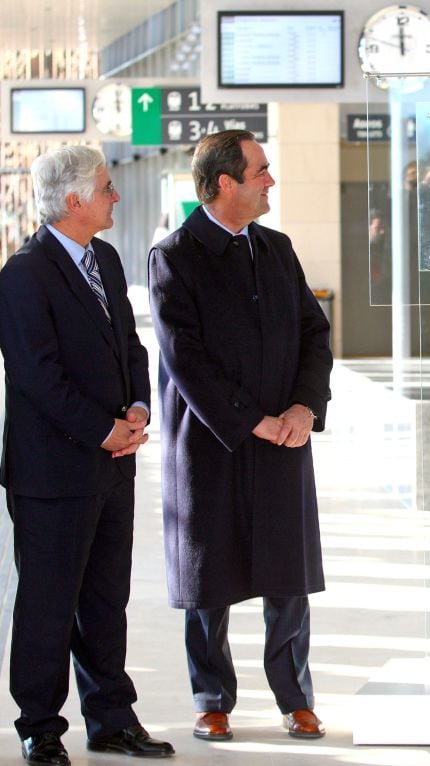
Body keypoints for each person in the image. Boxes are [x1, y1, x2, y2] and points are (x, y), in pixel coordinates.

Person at [148, 130, 333, 742]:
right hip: (212, 442)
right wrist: (251, 417)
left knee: (287, 577)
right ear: (224, 182)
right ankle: (212, 699)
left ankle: (295, 696)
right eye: (261, 171)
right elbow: (185, 357)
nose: (270, 181)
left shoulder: (277, 249)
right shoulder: (175, 254)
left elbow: (314, 332)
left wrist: (305, 406)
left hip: (283, 438)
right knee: (210, 579)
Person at [0, 146, 174, 765]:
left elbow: (129, 345)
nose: (116, 197)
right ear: (73, 202)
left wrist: (136, 410)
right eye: (106, 188)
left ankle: (110, 719)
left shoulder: (103, 256)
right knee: (49, 602)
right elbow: (35, 376)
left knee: (106, 598)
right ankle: (40, 726)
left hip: (112, 463)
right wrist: (102, 430)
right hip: (52, 471)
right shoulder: (24, 272)